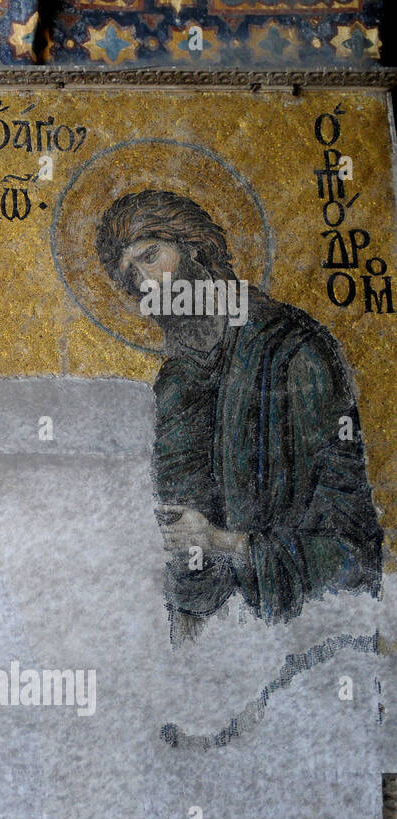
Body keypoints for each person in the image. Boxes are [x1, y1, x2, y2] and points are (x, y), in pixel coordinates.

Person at [95, 189, 382, 639]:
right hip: (218, 647)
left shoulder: (294, 353)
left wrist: (227, 545)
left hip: (308, 636)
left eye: (150, 257)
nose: (144, 285)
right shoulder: (176, 381)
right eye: (130, 275)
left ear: (197, 248)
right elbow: (180, 523)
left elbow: (353, 552)